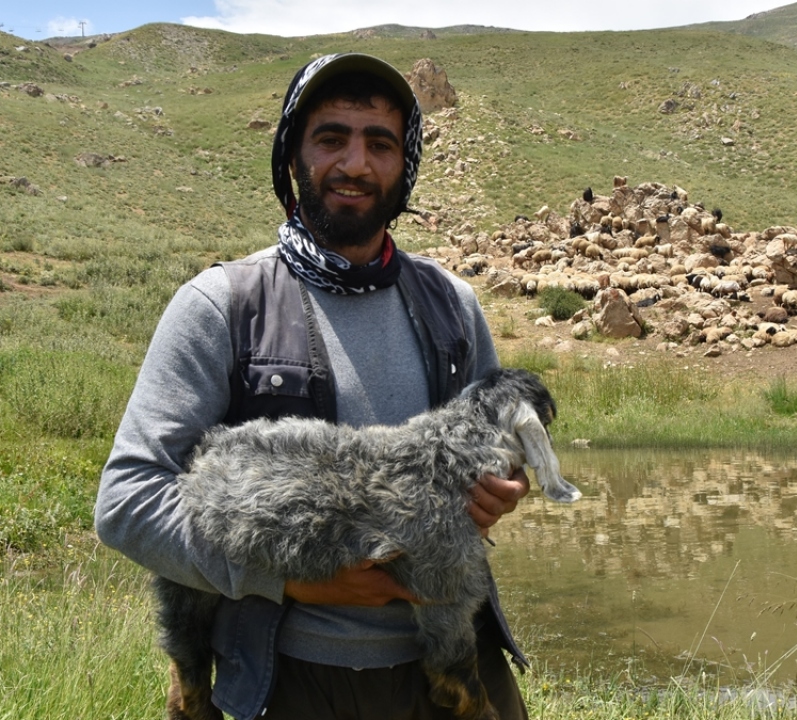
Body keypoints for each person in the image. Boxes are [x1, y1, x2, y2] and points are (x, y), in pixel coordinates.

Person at [95, 53, 532, 720]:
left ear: (404, 164)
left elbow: (496, 441)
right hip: (283, 688)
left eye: (379, 143)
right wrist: (288, 580)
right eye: (331, 138)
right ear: (292, 155)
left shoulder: (452, 304)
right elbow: (127, 504)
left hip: (454, 681)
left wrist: (502, 482)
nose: (355, 164)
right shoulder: (221, 306)